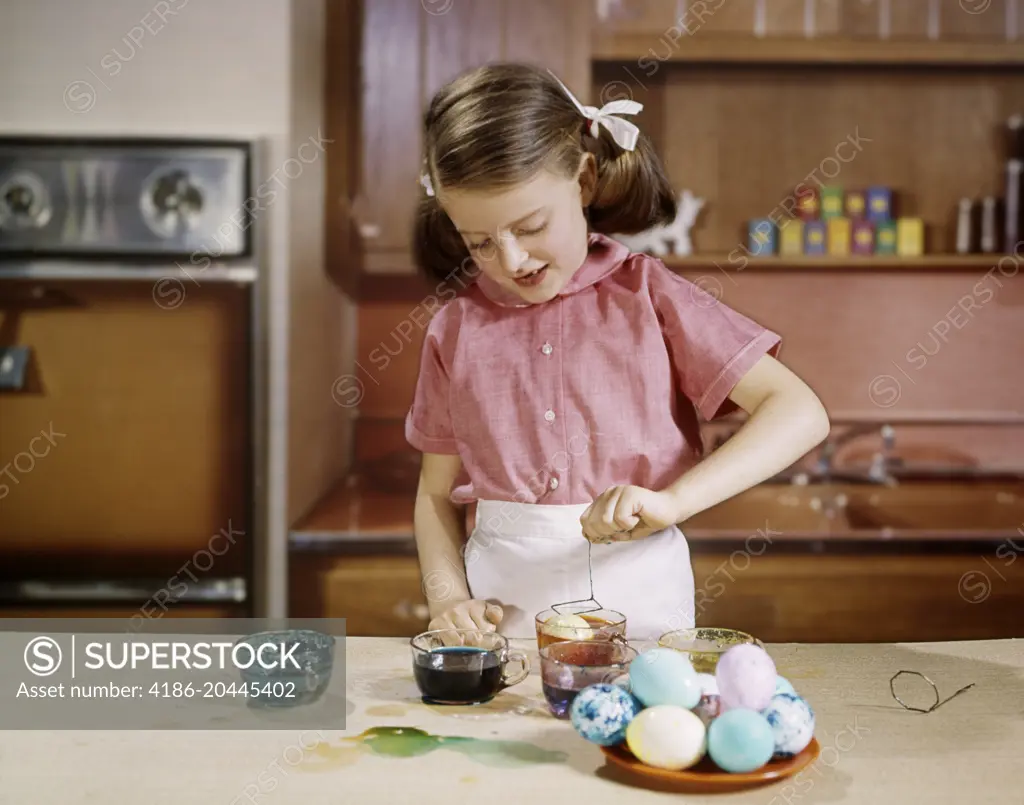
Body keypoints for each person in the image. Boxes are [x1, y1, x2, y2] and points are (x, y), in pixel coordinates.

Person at [405, 62, 830, 640]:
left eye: (530, 226)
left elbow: (798, 412)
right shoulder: (454, 330)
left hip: (643, 598)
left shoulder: (650, 297)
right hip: (502, 613)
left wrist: (674, 501)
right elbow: (435, 495)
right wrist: (448, 597)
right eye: (479, 242)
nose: (511, 261)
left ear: (583, 182)